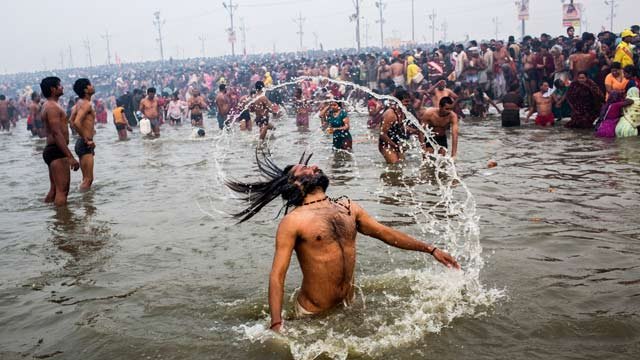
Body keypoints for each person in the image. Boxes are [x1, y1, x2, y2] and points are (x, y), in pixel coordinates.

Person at [225, 152, 460, 332]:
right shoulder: (293, 221)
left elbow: (385, 234)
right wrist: (277, 324)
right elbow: (277, 275)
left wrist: (431, 249)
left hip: (349, 304)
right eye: (306, 168)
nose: (315, 166)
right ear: (294, 183)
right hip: (312, 315)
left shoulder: (348, 206)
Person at [40, 77, 80, 206]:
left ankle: (50, 219)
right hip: (56, 150)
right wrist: (70, 156)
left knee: (54, 190)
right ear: (53, 89)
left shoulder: (50, 105)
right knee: (62, 191)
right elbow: (56, 133)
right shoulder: (52, 107)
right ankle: (63, 222)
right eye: (59, 85)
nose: (62, 87)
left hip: (53, 150)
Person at [71, 78, 96, 191]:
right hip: (84, 143)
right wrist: (87, 139)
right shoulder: (86, 104)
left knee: (85, 179)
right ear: (86, 89)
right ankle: (86, 205)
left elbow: (71, 121)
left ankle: (87, 205)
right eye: (90, 84)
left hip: (81, 142)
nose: (93, 86)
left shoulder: (78, 104)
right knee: (88, 180)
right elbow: (76, 122)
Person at [378, 90, 410, 164]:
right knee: (394, 165)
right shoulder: (390, 114)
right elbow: (382, 134)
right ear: (398, 101)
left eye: (408, 101)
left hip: (396, 143)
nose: (408, 104)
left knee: (402, 164)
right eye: (406, 101)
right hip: (385, 144)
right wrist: (395, 146)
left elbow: (401, 127)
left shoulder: (402, 112)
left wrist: (415, 131)